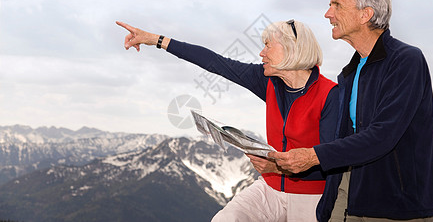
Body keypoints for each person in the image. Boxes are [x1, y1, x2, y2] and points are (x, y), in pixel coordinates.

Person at [116, 19, 339, 221]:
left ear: (292, 50)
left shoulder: (330, 95)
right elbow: (216, 62)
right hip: (271, 187)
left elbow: (332, 161)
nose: (262, 53)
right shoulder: (267, 81)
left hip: (312, 196)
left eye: (268, 45)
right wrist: (155, 40)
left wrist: (281, 167)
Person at [269, 0, 433, 221]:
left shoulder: (406, 60)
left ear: (366, 14)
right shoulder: (350, 73)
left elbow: (383, 135)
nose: (327, 14)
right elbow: (345, 141)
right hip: (352, 197)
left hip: (397, 207)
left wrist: (312, 155)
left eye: (337, 5)